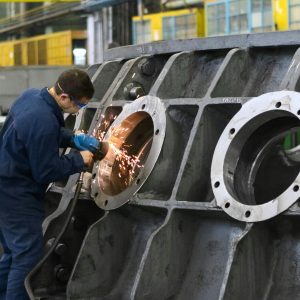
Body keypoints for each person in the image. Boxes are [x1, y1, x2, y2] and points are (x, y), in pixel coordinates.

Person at [0, 68, 102, 300]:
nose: (79, 110)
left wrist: (73, 138)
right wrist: (79, 160)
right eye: (80, 105)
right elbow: (45, 171)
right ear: (65, 97)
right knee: (27, 255)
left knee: (13, 253)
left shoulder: (31, 97)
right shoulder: (43, 119)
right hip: (17, 193)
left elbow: (43, 134)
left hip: (5, 183)